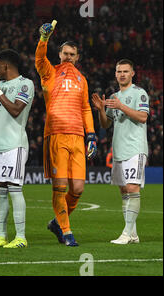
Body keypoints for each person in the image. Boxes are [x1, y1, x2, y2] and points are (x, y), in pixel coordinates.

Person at [35, 21, 97, 247]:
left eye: (72, 54)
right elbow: (39, 60)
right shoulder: (50, 72)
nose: (68, 57)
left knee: (78, 189)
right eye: (65, 53)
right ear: (59, 54)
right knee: (60, 186)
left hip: (78, 138)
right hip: (57, 134)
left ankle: (57, 222)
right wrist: (43, 39)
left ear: (77, 57)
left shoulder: (82, 80)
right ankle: (67, 232)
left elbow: (86, 108)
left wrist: (91, 134)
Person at [91, 59, 149, 244]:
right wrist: (101, 110)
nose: (122, 74)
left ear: (132, 73)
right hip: (119, 149)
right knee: (124, 191)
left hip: (135, 148)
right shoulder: (113, 96)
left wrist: (121, 106)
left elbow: (143, 117)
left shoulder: (139, 93)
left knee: (132, 188)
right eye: (119, 71)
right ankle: (133, 234)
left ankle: (126, 233)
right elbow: (106, 123)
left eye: (125, 71)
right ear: (115, 74)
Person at [0, 49, 34, 249]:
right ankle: (1, 236)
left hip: (15, 145)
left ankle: (21, 237)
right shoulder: (1, 86)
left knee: (14, 189)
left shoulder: (25, 84)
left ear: (5, 66)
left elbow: (15, 110)